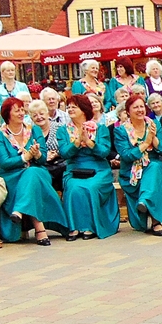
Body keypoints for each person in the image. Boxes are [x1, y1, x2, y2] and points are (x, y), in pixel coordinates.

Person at [0, 97, 67, 245]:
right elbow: (5, 163)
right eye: (16, 110)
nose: (21, 113)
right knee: (31, 178)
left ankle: (19, 210)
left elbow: (43, 158)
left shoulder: (33, 130)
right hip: (11, 176)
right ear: (7, 114)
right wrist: (26, 157)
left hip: (37, 170)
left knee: (32, 173)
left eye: (21, 109)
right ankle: (40, 229)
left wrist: (37, 154)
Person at [56, 94, 118, 241]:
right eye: (68, 106)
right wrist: (77, 142)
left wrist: (90, 143)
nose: (70, 109)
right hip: (75, 168)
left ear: (83, 109)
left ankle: (89, 227)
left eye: (74, 107)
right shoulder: (63, 130)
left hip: (98, 168)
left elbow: (104, 152)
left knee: (91, 187)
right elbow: (65, 153)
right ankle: (74, 226)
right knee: (73, 187)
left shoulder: (100, 129)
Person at [113, 94, 162, 236]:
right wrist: (146, 143)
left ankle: (151, 212)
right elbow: (126, 155)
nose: (140, 110)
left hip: (152, 165)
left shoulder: (153, 124)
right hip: (131, 171)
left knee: (154, 167)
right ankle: (152, 217)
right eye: (135, 107)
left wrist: (154, 138)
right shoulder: (121, 130)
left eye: (141, 106)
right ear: (128, 111)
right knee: (153, 171)